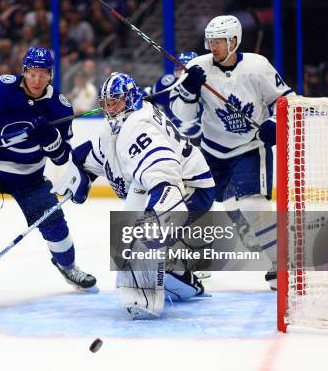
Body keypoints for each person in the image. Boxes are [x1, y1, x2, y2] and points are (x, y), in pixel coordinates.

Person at [53, 72, 215, 319]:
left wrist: (154, 221)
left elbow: (166, 175)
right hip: (166, 185)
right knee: (125, 245)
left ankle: (147, 301)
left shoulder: (138, 126)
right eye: (106, 102)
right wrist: (79, 170)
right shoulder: (122, 123)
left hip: (189, 189)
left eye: (115, 101)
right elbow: (100, 153)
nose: (109, 107)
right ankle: (181, 278)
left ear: (129, 99)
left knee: (137, 238)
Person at [169, 15, 294, 289]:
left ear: (234, 41)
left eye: (219, 41)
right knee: (194, 204)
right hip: (212, 150)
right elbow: (181, 114)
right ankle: (189, 262)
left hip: (249, 147)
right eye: (210, 41)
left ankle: (280, 263)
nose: (212, 46)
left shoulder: (257, 66)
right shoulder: (197, 67)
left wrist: (274, 123)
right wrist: (189, 92)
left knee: (252, 204)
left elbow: (285, 99)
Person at [0, 46, 97, 292]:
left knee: (54, 222)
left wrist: (50, 139)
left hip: (29, 176)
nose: (37, 80)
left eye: (43, 74)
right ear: (24, 72)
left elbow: (60, 158)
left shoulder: (60, 107)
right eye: (32, 73)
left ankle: (68, 268)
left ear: (50, 75)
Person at [150, 52, 202, 145]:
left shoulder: (205, 88)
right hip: (174, 143)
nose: (183, 73)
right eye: (180, 69)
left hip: (203, 143)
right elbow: (149, 102)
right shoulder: (166, 84)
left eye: (186, 69)